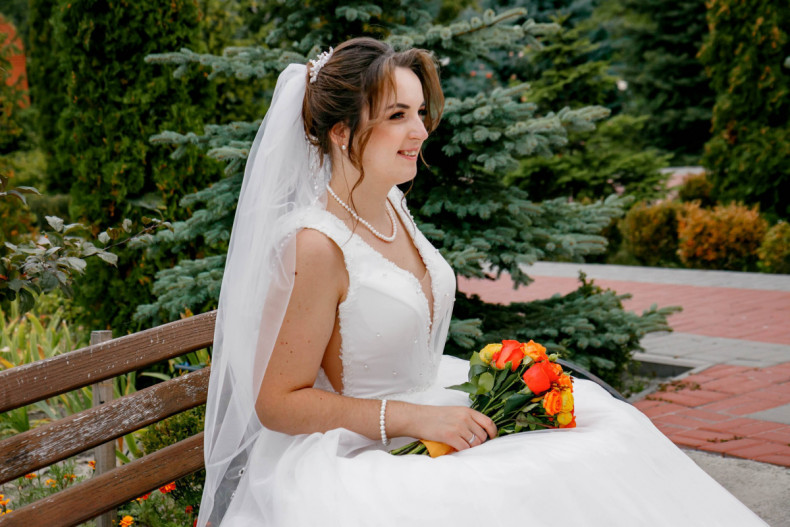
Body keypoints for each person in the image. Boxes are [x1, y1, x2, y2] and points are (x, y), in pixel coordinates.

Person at [197, 38, 767, 526]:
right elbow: (277, 403)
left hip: (435, 402)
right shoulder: (316, 245)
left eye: (420, 112)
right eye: (396, 116)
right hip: (364, 450)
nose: (420, 130)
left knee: (605, 435)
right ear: (343, 132)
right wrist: (414, 418)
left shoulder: (391, 204)